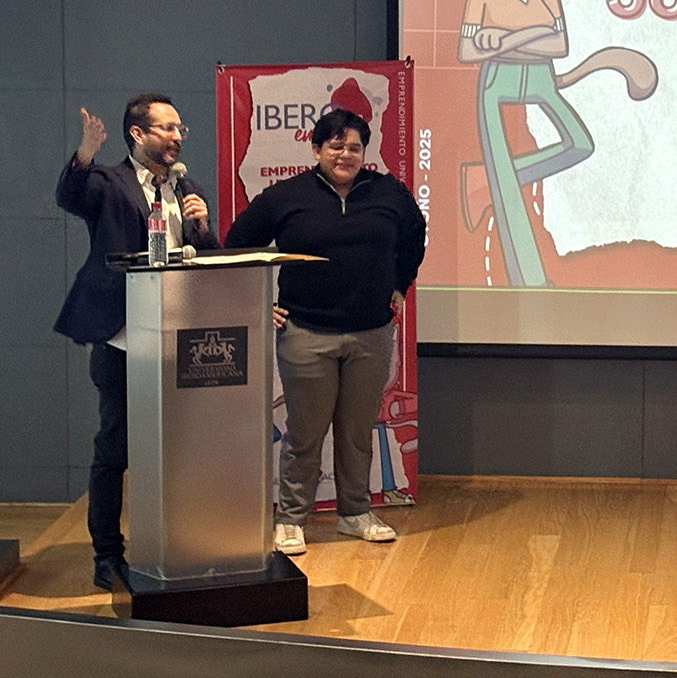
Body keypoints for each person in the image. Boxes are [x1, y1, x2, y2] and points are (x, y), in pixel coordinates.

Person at [224, 108, 426, 555]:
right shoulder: (286, 196)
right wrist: (259, 304)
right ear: (316, 149)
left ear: (365, 152)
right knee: (304, 434)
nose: (345, 154)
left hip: (371, 334)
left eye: (354, 147)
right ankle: (291, 519)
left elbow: (415, 237)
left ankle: (355, 513)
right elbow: (237, 244)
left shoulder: (389, 193)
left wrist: (400, 284)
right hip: (306, 334)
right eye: (336, 146)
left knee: (356, 432)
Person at [54, 94, 219, 591]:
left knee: (180, 448)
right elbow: (69, 196)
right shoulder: (108, 182)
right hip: (122, 338)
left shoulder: (186, 187)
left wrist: (203, 225)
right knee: (116, 448)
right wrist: (86, 152)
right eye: (166, 128)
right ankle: (107, 555)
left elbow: (206, 256)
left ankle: (178, 541)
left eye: (180, 129)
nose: (176, 137)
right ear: (138, 134)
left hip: (179, 340)